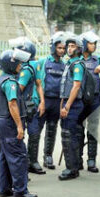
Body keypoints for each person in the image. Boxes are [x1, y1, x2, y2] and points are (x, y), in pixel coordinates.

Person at [0, 49, 38, 197]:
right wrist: (19, 126)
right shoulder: (11, 83)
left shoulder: (1, 79)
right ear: (11, 64)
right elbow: (12, 104)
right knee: (19, 155)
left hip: (1, 121)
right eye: (18, 63)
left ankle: (5, 188)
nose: (20, 65)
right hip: (9, 122)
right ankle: (20, 191)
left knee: (5, 156)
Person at [10, 37, 46, 175]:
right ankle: (22, 163)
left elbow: (38, 84)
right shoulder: (22, 69)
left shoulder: (31, 66)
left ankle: (33, 161)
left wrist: (42, 101)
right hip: (22, 106)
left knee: (34, 133)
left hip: (31, 106)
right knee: (20, 134)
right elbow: (18, 89)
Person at [35, 32, 67, 170]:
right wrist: (41, 101)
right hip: (44, 100)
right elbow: (38, 83)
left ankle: (48, 156)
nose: (62, 50)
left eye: (63, 48)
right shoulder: (43, 62)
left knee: (52, 129)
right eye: (59, 48)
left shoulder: (64, 65)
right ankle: (32, 158)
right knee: (37, 129)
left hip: (57, 101)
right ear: (53, 47)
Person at [58, 33, 86, 180]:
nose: (69, 48)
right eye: (68, 46)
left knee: (69, 136)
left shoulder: (77, 65)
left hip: (73, 104)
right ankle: (73, 166)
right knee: (69, 135)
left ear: (79, 49)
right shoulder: (70, 63)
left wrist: (67, 107)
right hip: (68, 103)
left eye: (72, 46)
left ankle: (72, 168)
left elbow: (76, 87)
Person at [77, 31, 100, 173]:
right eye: (90, 43)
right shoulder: (77, 59)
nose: (93, 46)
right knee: (79, 130)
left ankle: (91, 160)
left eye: (94, 43)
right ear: (83, 44)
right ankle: (78, 159)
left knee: (93, 130)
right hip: (80, 100)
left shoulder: (97, 59)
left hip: (94, 98)